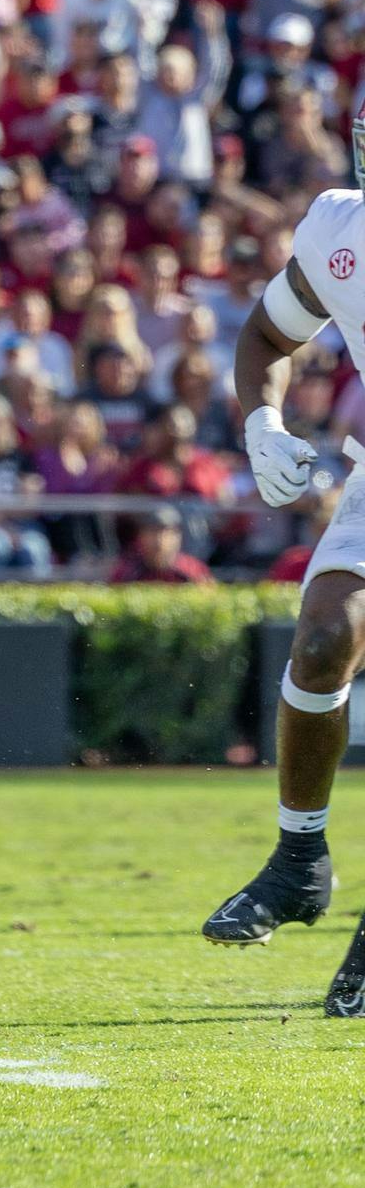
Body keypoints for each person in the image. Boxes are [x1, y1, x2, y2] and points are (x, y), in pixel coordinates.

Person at [207, 149, 365, 1011]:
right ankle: (299, 859)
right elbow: (268, 333)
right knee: (323, 639)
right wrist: (262, 422)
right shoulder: (341, 227)